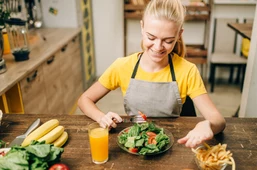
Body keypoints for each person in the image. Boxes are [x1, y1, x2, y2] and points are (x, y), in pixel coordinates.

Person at [78, 0, 225, 148]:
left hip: (175, 145)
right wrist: (101, 117)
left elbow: (219, 120)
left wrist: (207, 125)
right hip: (137, 144)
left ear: (179, 34)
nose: (158, 47)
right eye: (151, 37)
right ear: (142, 27)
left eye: (168, 41)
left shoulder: (188, 70)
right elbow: (85, 99)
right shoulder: (122, 66)